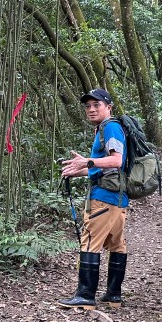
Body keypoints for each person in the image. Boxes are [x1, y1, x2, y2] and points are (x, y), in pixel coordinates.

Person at [59, 88, 128, 309]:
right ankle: (113, 296)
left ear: (109, 107)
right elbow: (103, 168)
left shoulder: (111, 128)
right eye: (88, 106)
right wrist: (77, 171)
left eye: (96, 105)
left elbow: (116, 161)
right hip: (117, 198)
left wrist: (87, 162)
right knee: (117, 244)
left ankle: (85, 295)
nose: (91, 109)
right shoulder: (106, 129)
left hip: (103, 198)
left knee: (90, 242)